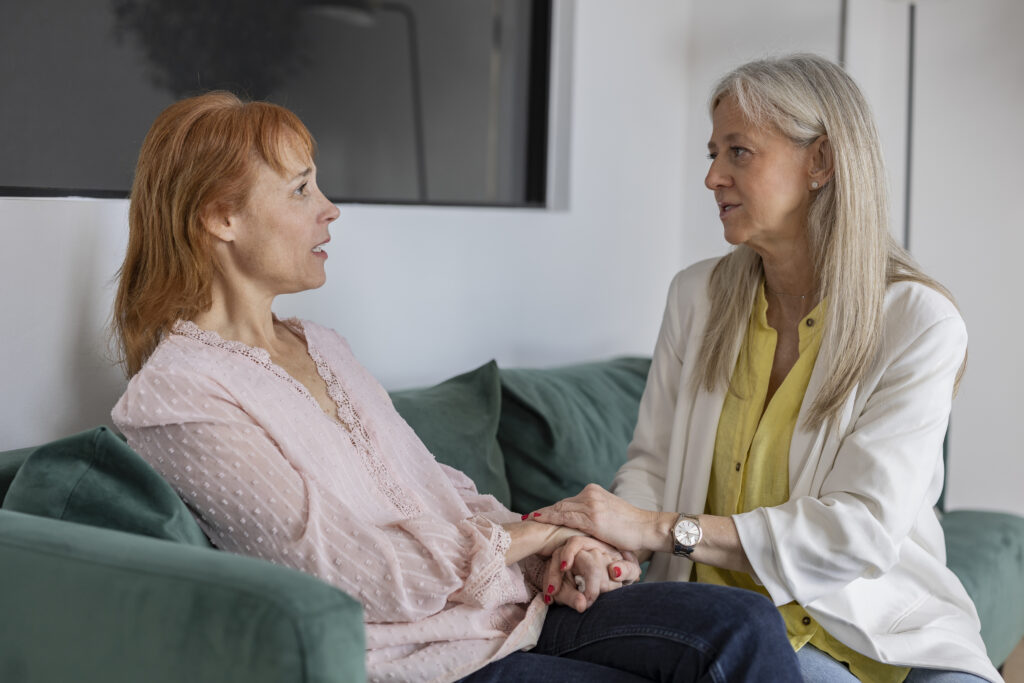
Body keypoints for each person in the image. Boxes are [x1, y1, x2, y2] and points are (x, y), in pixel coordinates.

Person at [109, 91, 802, 683]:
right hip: (427, 657)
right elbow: (341, 569)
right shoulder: (178, 396)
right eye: (299, 189)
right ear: (220, 218)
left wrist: (559, 549)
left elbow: (437, 489)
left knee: (740, 620)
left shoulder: (322, 345)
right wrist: (538, 532)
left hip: (509, 605)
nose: (330, 209)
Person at [529, 54, 1002, 683]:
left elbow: (858, 532)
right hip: (716, 625)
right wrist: (609, 542)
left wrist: (656, 527)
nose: (712, 177)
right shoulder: (694, 295)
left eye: (739, 152)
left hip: (867, 633)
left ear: (822, 163)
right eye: (712, 153)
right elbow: (652, 464)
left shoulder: (918, 320)